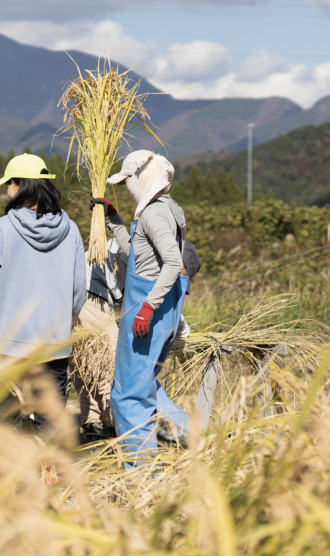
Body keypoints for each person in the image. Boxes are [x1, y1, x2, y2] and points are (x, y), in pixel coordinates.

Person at [0, 154, 86, 430]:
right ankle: (49, 471)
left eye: (8, 185)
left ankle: (6, 469)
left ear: (19, 185)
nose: (6, 191)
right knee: (51, 418)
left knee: (4, 414)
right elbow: (79, 289)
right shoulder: (70, 230)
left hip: (7, 341)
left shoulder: (2, 228)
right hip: (55, 341)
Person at [92, 149, 191, 467]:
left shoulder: (151, 214)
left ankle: (141, 474)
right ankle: (192, 436)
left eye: (128, 182)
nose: (126, 188)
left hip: (149, 308)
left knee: (127, 393)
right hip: (166, 307)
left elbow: (174, 262)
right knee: (144, 382)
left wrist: (147, 307)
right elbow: (140, 253)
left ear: (142, 179)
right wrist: (114, 220)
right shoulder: (169, 208)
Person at [73, 238, 127, 442]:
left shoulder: (112, 243)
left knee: (86, 364)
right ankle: (117, 428)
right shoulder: (129, 249)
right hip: (94, 298)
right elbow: (126, 296)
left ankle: (92, 425)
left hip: (73, 300)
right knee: (108, 366)